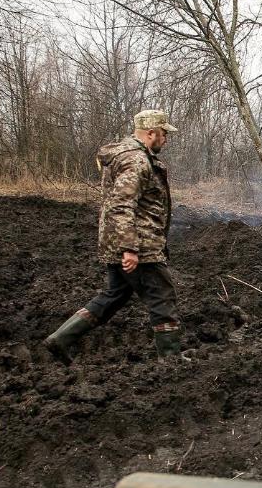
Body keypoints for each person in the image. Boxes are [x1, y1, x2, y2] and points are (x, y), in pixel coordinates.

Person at [44, 109, 182, 363]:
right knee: (163, 299)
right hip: (140, 246)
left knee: (114, 295)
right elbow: (121, 205)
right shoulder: (136, 161)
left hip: (118, 242)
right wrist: (129, 248)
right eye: (164, 133)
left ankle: (61, 339)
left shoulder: (126, 156)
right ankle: (172, 361)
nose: (166, 139)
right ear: (151, 133)